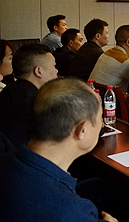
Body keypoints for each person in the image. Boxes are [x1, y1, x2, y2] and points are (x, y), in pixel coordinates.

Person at [0, 78, 118, 222]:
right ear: (83, 130)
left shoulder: (8, 159)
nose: (102, 125)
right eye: (100, 118)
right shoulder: (72, 211)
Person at [0, 44, 58, 147]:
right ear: (38, 71)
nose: (56, 71)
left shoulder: (9, 90)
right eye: (54, 66)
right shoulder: (38, 104)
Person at [89, 25, 129, 92]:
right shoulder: (126, 62)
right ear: (128, 42)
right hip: (108, 99)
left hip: (94, 94)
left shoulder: (108, 52)